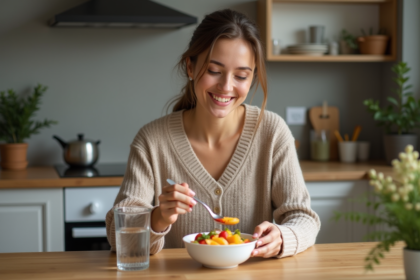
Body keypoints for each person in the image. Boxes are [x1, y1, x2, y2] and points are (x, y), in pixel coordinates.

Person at [106, 9, 320, 259]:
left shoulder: (272, 132)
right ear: (190, 66)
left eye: (241, 75)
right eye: (214, 71)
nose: (226, 86)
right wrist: (158, 218)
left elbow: (303, 218)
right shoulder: (151, 141)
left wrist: (283, 236)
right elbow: (117, 236)